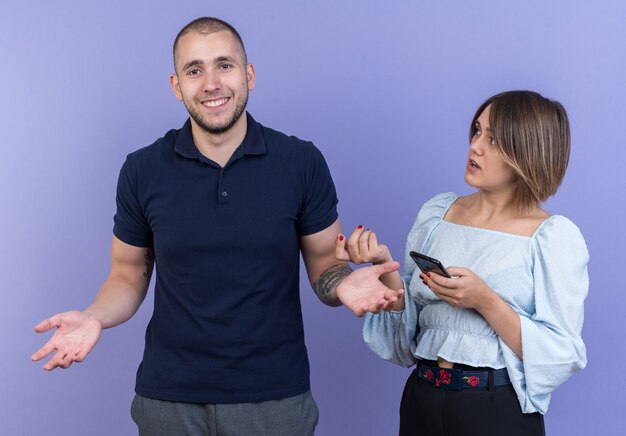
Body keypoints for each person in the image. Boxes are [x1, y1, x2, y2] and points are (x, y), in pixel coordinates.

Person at [31, 17, 403, 436]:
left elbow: (324, 265)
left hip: (274, 397)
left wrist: (342, 284)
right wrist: (94, 316)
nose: (211, 83)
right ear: (176, 85)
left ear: (249, 75)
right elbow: (127, 273)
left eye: (224, 65)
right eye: (195, 70)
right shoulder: (142, 170)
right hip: (168, 398)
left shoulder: (300, 162)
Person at [336, 90, 589, 436]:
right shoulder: (438, 214)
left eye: (496, 140)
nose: (476, 146)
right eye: (477, 130)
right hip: (422, 398)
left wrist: (484, 301)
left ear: (529, 152)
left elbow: (562, 353)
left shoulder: (551, 237)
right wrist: (386, 270)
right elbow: (407, 341)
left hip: (495, 410)